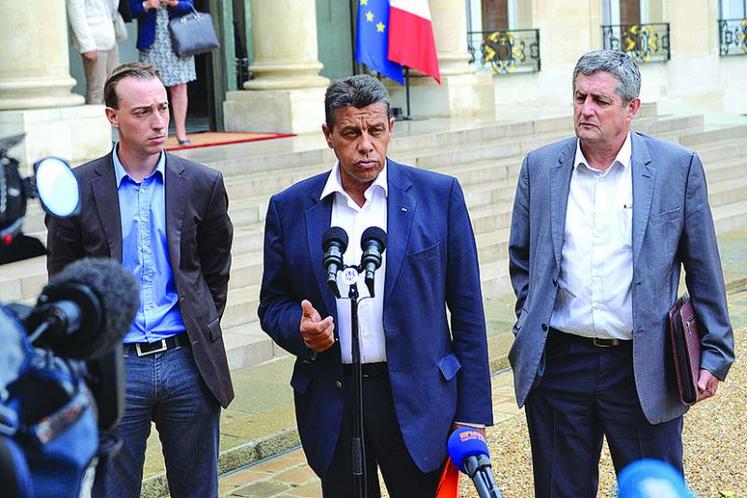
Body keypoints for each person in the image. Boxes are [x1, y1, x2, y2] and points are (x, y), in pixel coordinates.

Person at [507, 49, 734, 497]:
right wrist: (527, 325)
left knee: (654, 490)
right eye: (579, 97)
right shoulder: (540, 167)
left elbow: (703, 266)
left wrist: (715, 351)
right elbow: (522, 261)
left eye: (600, 100)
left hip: (645, 365)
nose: (585, 109)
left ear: (632, 108)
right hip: (560, 368)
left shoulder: (676, 167)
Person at [258, 74, 493, 497]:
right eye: (351, 133)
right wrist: (301, 329)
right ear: (328, 135)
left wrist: (472, 414)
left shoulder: (439, 196)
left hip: (420, 402)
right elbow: (273, 303)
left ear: (391, 129)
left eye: (376, 130)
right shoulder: (290, 208)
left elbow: (468, 309)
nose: (366, 144)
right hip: (335, 402)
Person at [45, 62, 234, 498]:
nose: (158, 122)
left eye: (163, 108)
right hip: (114, 366)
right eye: (142, 112)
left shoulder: (203, 183)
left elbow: (214, 268)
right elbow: (65, 277)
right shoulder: (78, 187)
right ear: (113, 117)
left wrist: (200, 326)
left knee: (197, 490)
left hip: (187, 361)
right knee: (112, 490)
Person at [130, 0, 195, 145]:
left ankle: (181, 133)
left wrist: (173, 2)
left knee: (179, 87)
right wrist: (147, 5)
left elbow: (190, 6)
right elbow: (131, 11)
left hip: (179, 40)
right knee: (150, 90)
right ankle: (154, 132)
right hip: (151, 43)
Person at [66, 0, 121, 104]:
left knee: (114, 87)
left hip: (110, 39)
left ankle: (110, 119)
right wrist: (87, 46)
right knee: (97, 90)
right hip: (94, 42)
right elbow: (76, 14)